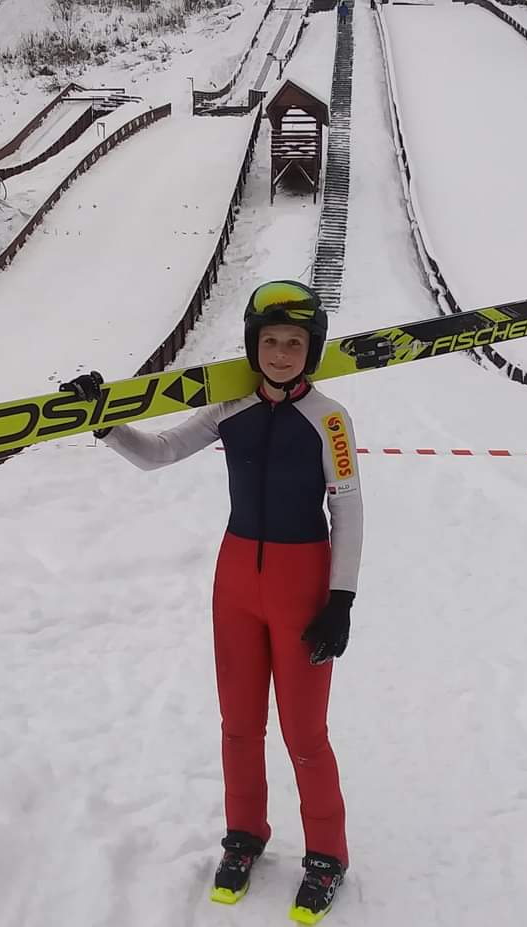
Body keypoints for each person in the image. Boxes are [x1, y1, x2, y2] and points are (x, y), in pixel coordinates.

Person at [61, 280, 363, 924]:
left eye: (294, 343)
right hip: (235, 580)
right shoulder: (228, 404)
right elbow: (161, 453)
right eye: (271, 341)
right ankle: (245, 835)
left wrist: (340, 598)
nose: (281, 353)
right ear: (254, 346)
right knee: (238, 725)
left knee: (305, 734)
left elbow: (348, 505)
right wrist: (105, 421)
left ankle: (327, 855)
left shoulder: (330, 418)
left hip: (302, 583)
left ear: (311, 351)